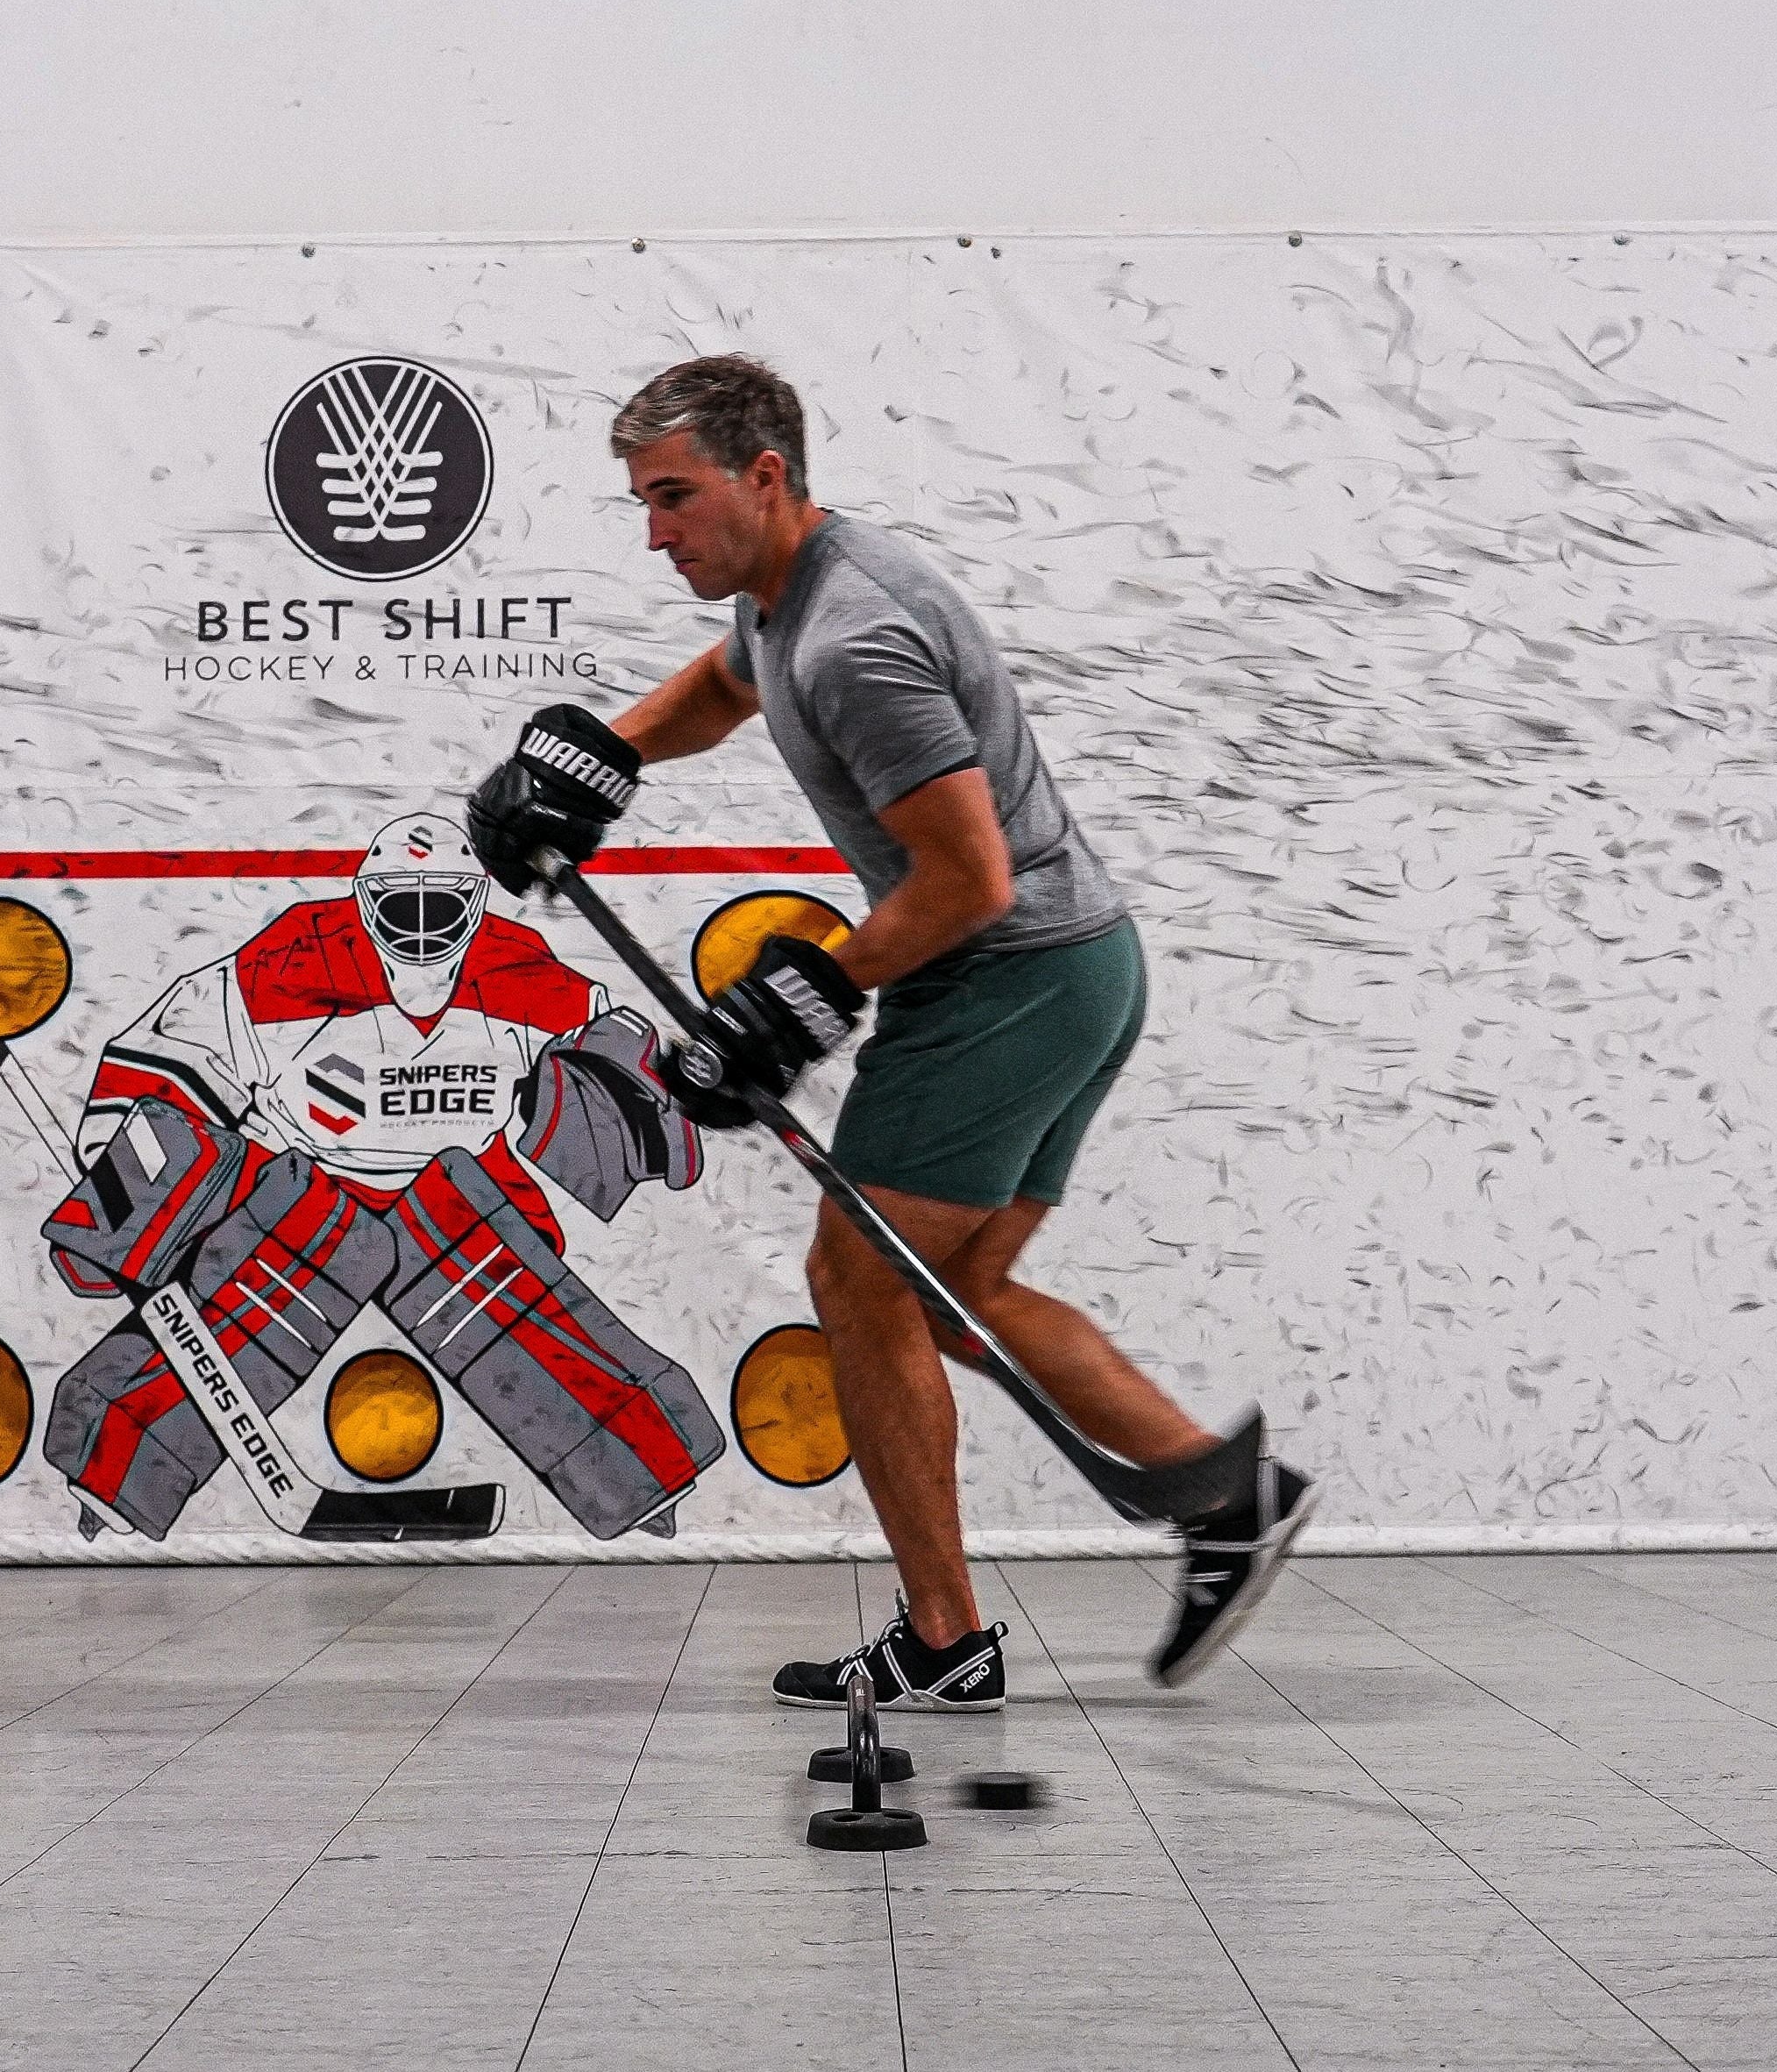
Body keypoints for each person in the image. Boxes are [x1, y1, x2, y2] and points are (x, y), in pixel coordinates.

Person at [466, 354, 1315, 1701]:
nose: (654, 530)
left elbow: (967, 878)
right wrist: (608, 752)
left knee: (860, 1284)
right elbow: (734, 682)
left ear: (766, 476)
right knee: (951, 1294)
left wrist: (803, 996)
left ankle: (941, 1638)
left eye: (675, 497)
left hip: (1005, 978)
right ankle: (1226, 1494)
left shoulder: (857, 639)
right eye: (641, 501)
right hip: (1078, 967)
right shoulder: (793, 591)